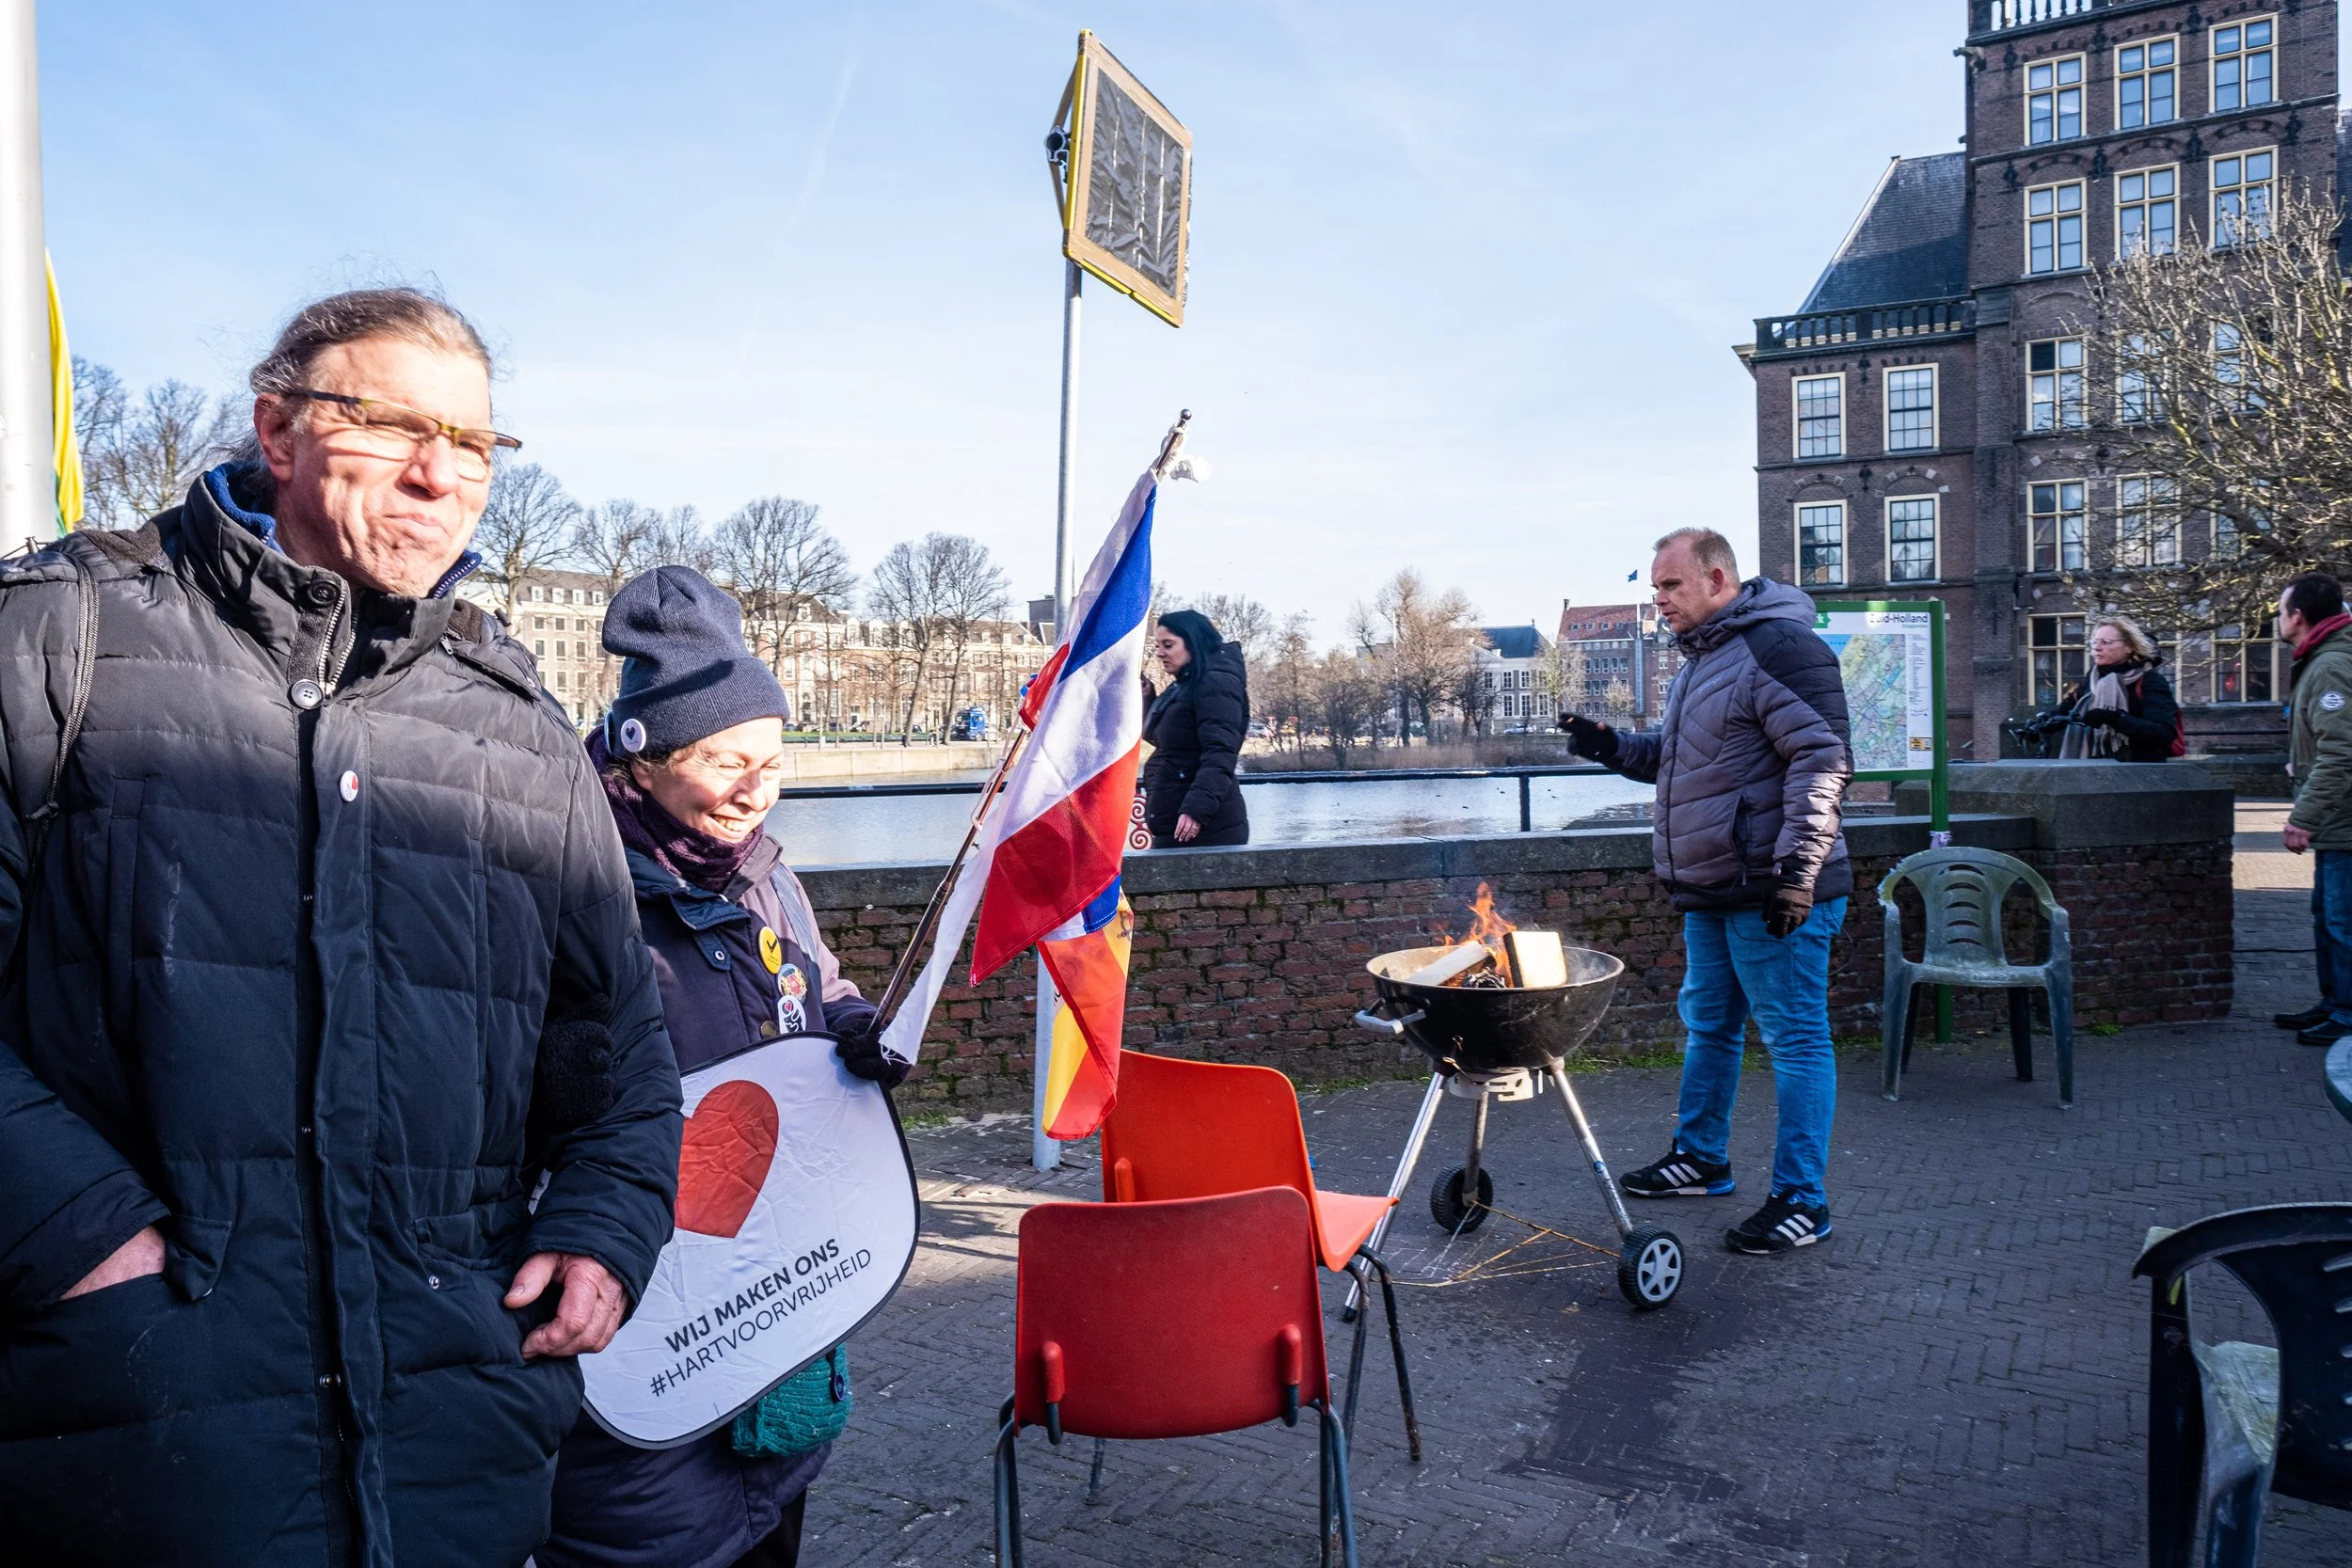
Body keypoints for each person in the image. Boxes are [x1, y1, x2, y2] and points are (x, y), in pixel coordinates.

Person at [0, 289, 683, 1565]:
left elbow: (622, 1074)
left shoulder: (520, 732)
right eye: (394, 424)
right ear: (278, 426)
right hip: (132, 1445)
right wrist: (79, 1235)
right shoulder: (56, 637)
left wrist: (603, 1230)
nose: (442, 472)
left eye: (476, 443)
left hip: (456, 1449)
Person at [542, 565, 899, 1568]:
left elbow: (817, 989)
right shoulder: (573, 890)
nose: (757, 786)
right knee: (651, 1528)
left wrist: (861, 1029)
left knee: (768, 1519)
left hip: (765, 1285)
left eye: (772, 760)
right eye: (724, 759)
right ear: (643, 760)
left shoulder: (767, 875)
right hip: (644, 1287)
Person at [1560, 528, 1853, 1256]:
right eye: (1655, 587)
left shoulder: (1781, 647)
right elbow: (1673, 759)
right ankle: (1701, 1158)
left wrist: (1797, 873)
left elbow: (1823, 757)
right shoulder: (1703, 659)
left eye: (1670, 586)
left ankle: (1801, 1199)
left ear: (1718, 579)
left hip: (1775, 887)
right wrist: (1608, 745)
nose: (1657, 600)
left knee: (1796, 1039)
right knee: (1712, 1026)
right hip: (1713, 887)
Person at [2272, 573, 2352, 1046]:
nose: (2278, 620)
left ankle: (2346, 1012)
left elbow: (2341, 752)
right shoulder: (2324, 658)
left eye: (2281, 611)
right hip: (2337, 818)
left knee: (2341, 921)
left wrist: (2304, 816)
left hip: (2342, 818)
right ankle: (2335, 1001)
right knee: (2327, 915)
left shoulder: (2329, 666)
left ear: (2298, 617)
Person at [1142, 609, 1250, 847]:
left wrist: (1196, 810)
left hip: (1204, 828)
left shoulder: (1215, 683)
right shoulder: (1186, 683)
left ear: (1193, 642)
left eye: (1168, 645)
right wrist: (1147, 697)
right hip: (1178, 821)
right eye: (1158, 645)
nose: (1160, 653)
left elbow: (1220, 753)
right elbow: (1163, 738)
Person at [2052, 614, 2180, 761]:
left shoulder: (2149, 680)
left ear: (2129, 647)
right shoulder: (2093, 678)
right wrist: (2044, 722)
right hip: (2096, 772)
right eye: (2095, 642)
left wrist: (2114, 718)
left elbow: (2164, 732)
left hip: (2139, 774)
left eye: (2106, 642)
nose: (2097, 648)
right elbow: (2069, 706)